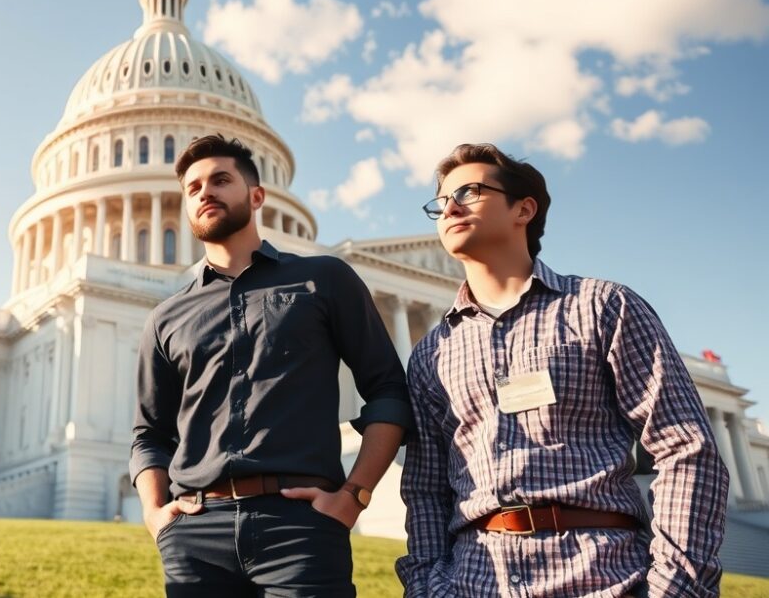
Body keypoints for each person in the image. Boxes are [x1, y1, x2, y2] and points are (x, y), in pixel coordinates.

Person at [397, 143, 728, 597]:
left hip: (603, 576)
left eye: (470, 191)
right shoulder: (431, 352)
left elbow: (685, 447)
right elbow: (426, 489)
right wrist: (427, 587)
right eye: (440, 202)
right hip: (474, 581)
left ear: (524, 209)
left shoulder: (603, 307)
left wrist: (675, 588)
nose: (449, 207)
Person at [130, 134, 414, 597]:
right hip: (196, 534)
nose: (205, 192)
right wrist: (155, 513)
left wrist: (354, 495)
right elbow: (149, 434)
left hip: (300, 525)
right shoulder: (165, 317)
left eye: (221, 180)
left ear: (257, 196)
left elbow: (388, 390)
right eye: (194, 187)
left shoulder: (324, 279)